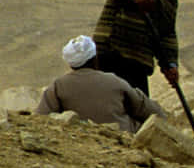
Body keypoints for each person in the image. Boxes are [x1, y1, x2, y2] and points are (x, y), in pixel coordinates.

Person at [36, 35, 168, 131]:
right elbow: (147, 109)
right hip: (123, 138)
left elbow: (41, 118)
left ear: (70, 64)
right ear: (95, 58)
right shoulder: (114, 81)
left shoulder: (58, 86)